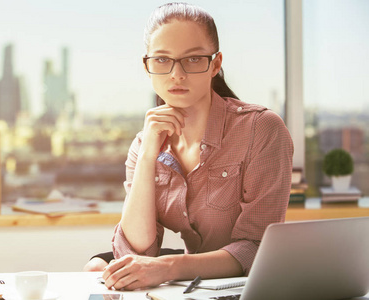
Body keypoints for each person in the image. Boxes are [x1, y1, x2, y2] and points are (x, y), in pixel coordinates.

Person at [83, 2, 293, 291]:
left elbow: (256, 247)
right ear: (147, 66)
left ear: (215, 64)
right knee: (97, 267)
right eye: (162, 60)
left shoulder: (261, 129)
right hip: (195, 276)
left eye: (193, 59)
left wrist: (168, 268)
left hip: (247, 282)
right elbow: (136, 249)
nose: (176, 75)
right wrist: (146, 159)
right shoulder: (146, 143)